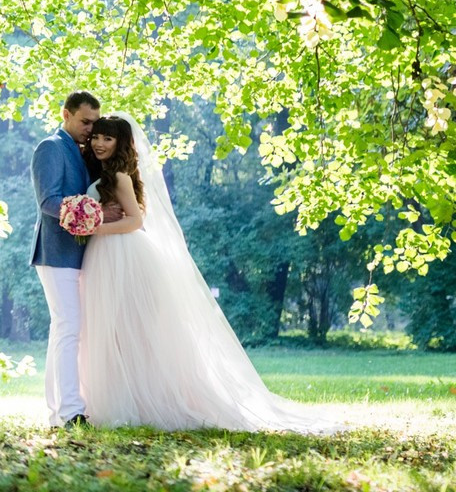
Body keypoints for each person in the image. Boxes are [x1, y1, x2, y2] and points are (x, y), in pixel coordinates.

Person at [74, 116, 339, 432]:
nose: (100, 143)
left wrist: (95, 227)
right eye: (97, 138)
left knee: (131, 331)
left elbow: (134, 221)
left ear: (120, 143)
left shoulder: (119, 176)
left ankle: (142, 402)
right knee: (111, 331)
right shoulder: (103, 175)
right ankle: (117, 399)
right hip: (104, 256)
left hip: (124, 256)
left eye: (108, 139)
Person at [29, 91, 121, 428]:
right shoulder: (50, 148)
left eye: (95, 123)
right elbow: (49, 202)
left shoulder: (83, 152)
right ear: (65, 114)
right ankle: (69, 412)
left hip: (80, 253)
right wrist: (99, 213)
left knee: (66, 330)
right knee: (69, 328)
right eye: (85, 122)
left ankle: (59, 410)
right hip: (56, 253)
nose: (90, 129)